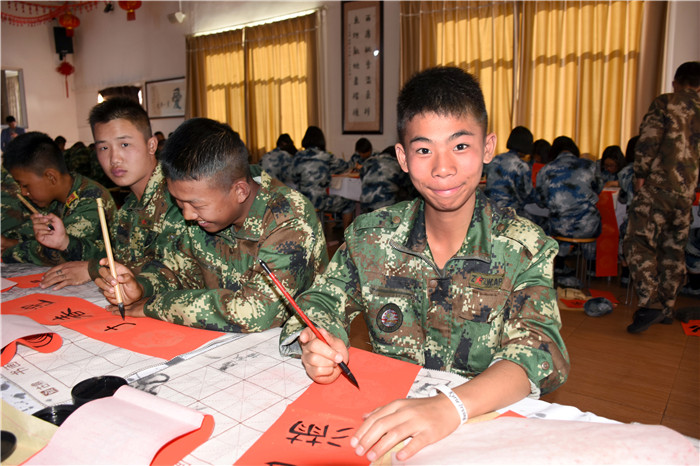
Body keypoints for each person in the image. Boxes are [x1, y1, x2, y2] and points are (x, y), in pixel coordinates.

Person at [280, 66, 569, 462]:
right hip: (386, 422)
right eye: (423, 150)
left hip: (480, 426)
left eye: (460, 146)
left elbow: (539, 352)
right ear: (402, 156)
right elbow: (321, 301)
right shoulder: (371, 237)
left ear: (488, 148)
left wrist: (450, 406)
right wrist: (320, 340)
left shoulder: (525, 247)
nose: (442, 168)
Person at [96, 118, 329, 333]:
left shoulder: (289, 218)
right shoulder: (206, 214)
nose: (187, 214)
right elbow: (179, 270)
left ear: (240, 191)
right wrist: (141, 286)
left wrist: (157, 305)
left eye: (195, 204)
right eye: (179, 202)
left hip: (292, 348)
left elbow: (254, 312)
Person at [39, 97, 186, 290]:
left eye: (124, 144)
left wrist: (94, 269)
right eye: (103, 148)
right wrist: (65, 242)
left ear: (151, 145)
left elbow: (178, 272)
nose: (114, 158)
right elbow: (116, 255)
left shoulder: (179, 198)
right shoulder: (130, 206)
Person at [623, 61, 700, 333]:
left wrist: (641, 173)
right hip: (686, 192)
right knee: (673, 249)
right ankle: (667, 307)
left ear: (676, 82)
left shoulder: (666, 102)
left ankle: (650, 303)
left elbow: (649, 139)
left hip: (659, 185)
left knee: (637, 242)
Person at [1, 131, 116, 265]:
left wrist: (10, 250)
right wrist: (9, 242)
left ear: (51, 177)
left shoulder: (91, 199)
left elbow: (57, 252)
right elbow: (38, 238)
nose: (23, 192)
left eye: (25, 185)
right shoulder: (55, 200)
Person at [536, 136, 604, 274]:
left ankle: (560, 264)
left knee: (555, 219)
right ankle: (591, 267)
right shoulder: (590, 165)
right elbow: (598, 188)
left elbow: (541, 201)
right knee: (590, 218)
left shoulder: (545, 170)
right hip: (588, 227)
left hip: (560, 227)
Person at [291, 126, 354, 228]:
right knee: (349, 204)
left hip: (301, 200)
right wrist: (354, 164)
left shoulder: (297, 156)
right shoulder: (326, 156)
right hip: (320, 201)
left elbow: (293, 177)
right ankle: (347, 235)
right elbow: (344, 167)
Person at [484, 125, 535, 217]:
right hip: (510, 212)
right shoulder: (521, 166)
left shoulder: (495, 159)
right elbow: (527, 195)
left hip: (489, 209)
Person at [359, 145, 411, 212]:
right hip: (386, 204)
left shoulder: (369, 161)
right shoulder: (396, 164)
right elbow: (406, 183)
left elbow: (362, 175)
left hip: (365, 201)